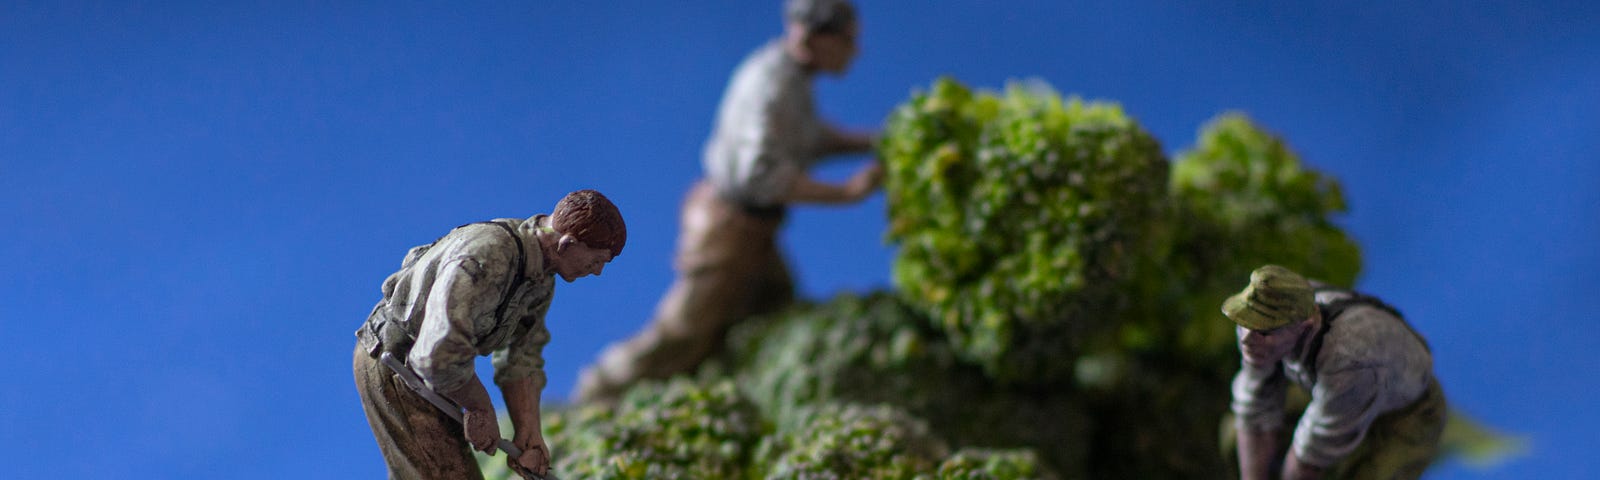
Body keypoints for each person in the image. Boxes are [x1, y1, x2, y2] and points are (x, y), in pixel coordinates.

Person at [574, 0, 880, 404]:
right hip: (728, 228)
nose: (854, 52)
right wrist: (846, 193)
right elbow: (761, 174)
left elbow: (803, 139)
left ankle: (732, 392)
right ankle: (598, 392)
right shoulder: (773, 84)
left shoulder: (791, 77)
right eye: (847, 41)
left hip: (755, 230)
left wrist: (870, 141)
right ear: (814, 38)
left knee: (772, 305)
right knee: (682, 332)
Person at [353, 189, 626, 479]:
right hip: (395, 365)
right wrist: (480, 407)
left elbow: (521, 357)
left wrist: (529, 434)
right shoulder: (488, 257)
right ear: (567, 243)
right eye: (596, 261)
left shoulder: (541, 276)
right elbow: (435, 355)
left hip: (433, 374)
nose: (596, 272)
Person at [1224, 265, 1446, 480]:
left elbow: (1308, 459)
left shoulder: (1349, 360)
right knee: (1234, 434)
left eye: (1265, 332)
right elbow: (1254, 411)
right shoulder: (1258, 323)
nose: (1247, 340)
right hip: (1327, 387)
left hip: (1405, 413)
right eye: (1246, 324)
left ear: (1305, 326)